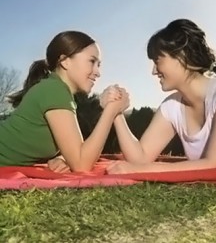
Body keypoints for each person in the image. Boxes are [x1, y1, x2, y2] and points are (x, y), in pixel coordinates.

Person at [103, 19, 216, 174]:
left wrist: (139, 171)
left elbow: (214, 163)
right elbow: (140, 158)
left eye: (157, 61)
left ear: (182, 56)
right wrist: (116, 112)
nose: (154, 71)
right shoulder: (172, 106)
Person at [0, 31, 129, 172]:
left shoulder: (56, 90)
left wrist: (63, 157)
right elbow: (81, 164)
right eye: (92, 61)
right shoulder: (54, 90)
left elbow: (76, 150)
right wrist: (110, 111)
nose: (98, 72)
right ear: (65, 61)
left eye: (99, 64)